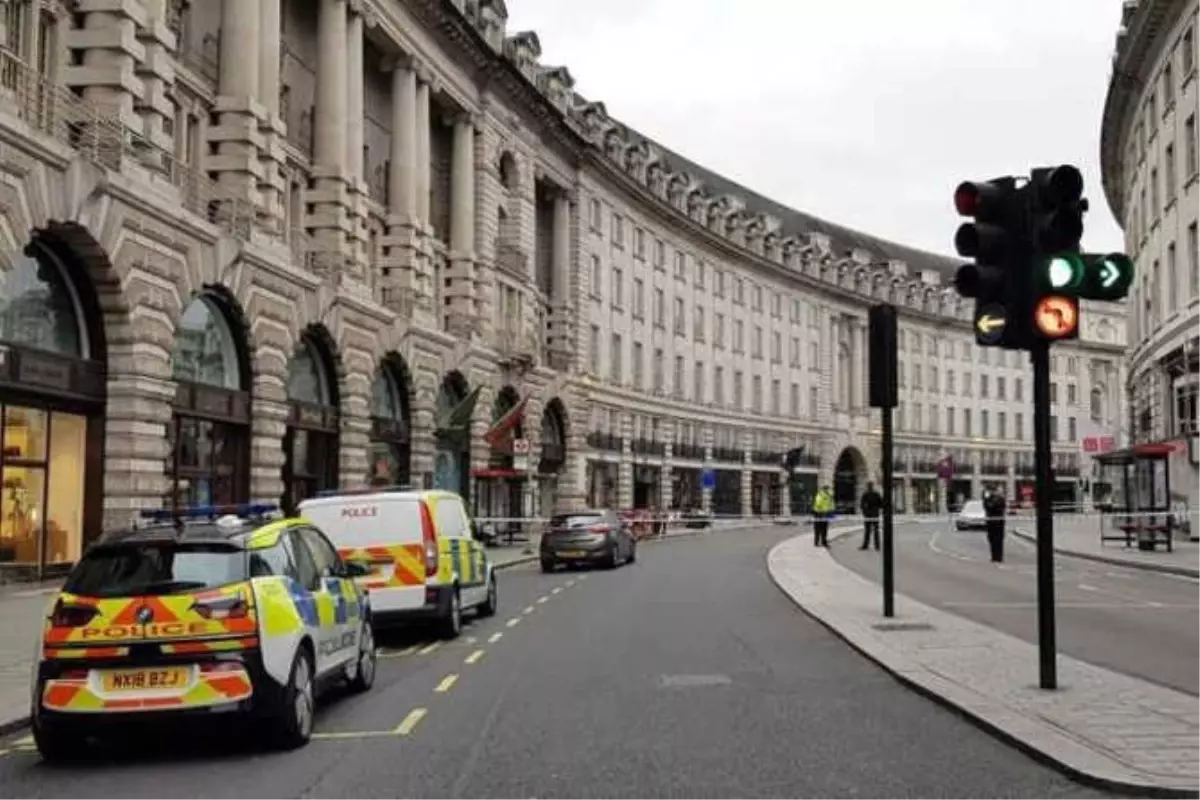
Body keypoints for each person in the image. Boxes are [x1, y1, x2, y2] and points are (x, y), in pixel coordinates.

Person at [983, 489, 1007, 562]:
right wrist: (986, 498)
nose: (994, 493)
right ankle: (994, 557)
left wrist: (992, 503)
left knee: (999, 541)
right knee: (991, 540)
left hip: (999, 524)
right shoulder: (988, 499)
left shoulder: (1001, 500)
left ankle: (999, 557)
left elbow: (997, 507)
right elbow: (986, 506)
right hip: (991, 523)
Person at [859, 481, 883, 550]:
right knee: (876, 531)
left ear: (868, 486)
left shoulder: (865, 494)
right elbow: (881, 504)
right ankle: (877, 546)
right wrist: (877, 509)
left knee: (867, 531)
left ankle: (865, 545)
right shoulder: (876, 494)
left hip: (868, 514)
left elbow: (862, 505)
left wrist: (864, 512)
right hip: (875, 514)